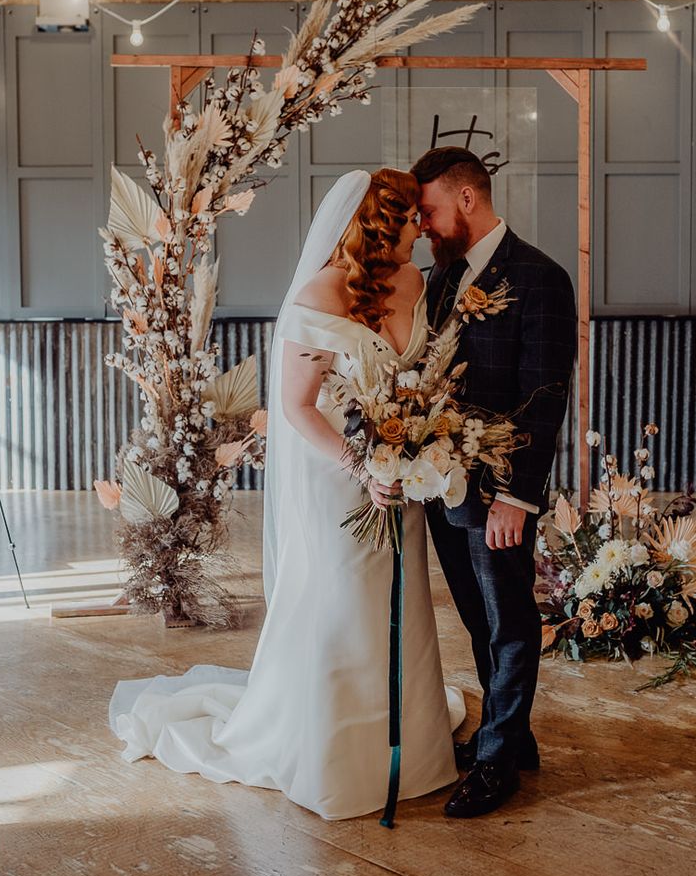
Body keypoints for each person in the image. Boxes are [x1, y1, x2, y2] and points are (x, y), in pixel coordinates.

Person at [109, 168, 465, 820]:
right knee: (343, 607)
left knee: (401, 604)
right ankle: (334, 757)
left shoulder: (415, 283)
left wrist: (417, 445)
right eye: (413, 216)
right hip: (341, 481)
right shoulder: (319, 293)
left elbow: (422, 380)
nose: (423, 226)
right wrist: (364, 467)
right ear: (383, 224)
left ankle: (411, 751)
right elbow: (299, 408)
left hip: (401, 480)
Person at [410, 146, 578, 818]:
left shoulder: (542, 278)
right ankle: (511, 738)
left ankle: (497, 763)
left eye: (429, 209)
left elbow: (544, 395)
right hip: (444, 485)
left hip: (499, 491)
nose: (422, 224)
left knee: (510, 622)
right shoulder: (441, 280)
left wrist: (516, 495)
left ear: (466, 199)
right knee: (479, 619)